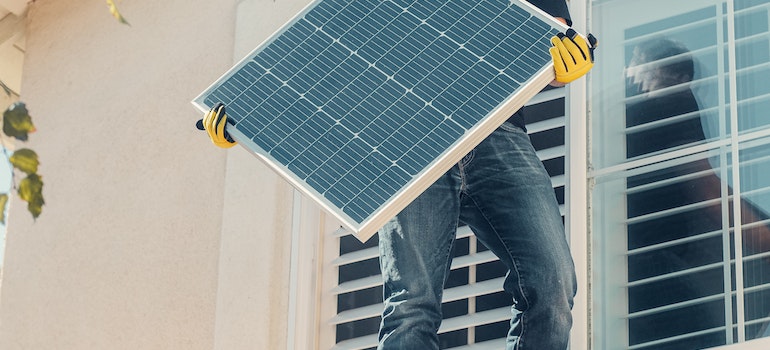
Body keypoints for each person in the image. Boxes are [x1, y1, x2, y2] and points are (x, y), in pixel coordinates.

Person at [198, 1, 596, 349]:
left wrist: (566, 64)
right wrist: (248, 122)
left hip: (497, 131)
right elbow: (322, 63)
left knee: (553, 281)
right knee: (411, 305)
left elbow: (551, 35)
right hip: (410, 140)